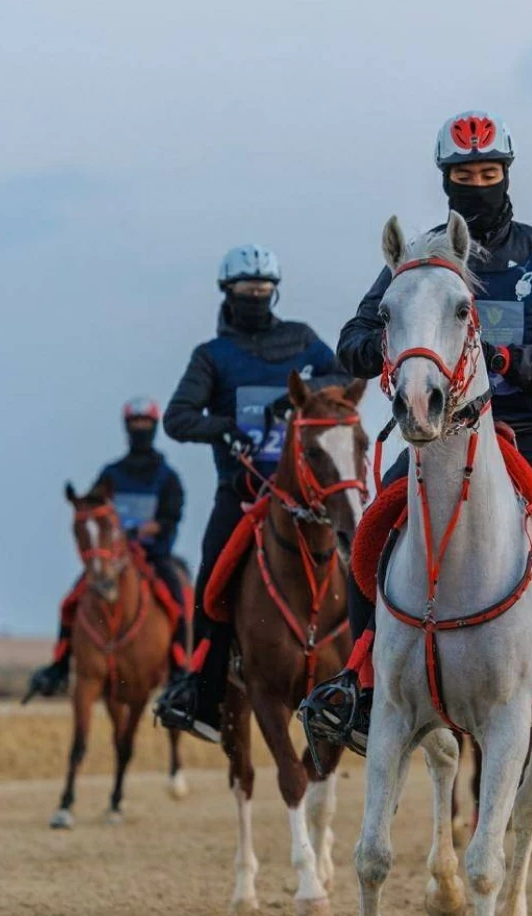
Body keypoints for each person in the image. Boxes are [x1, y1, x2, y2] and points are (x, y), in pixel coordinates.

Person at [299, 110, 532, 764]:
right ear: (446, 180)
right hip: (441, 437)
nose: (478, 182)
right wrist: (391, 350)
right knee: (370, 535)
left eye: (488, 172)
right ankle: (359, 678)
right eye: (464, 174)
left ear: (506, 174)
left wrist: (512, 363)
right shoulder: (417, 259)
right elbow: (355, 336)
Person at [154, 245, 340, 742]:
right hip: (240, 493)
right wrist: (223, 428)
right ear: (228, 293)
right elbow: (177, 418)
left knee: (363, 560)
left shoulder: (300, 339)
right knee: (211, 580)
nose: (255, 298)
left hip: (310, 494)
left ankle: (366, 685)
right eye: (245, 290)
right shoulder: (211, 357)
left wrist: (298, 391)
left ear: (274, 291)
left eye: (262, 290)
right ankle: (204, 693)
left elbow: (343, 372)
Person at [25, 398, 188, 699]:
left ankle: (180, 670)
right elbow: (94, 507)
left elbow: (172, 515)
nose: (140, 429)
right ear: (126, 427)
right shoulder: (111, 473)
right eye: (135, 423)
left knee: (178, 602)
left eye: (145, 424)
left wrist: (144, 529)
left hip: (153, 556)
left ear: (153, 427)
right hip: (113, 559)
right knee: (71, 601)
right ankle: (59, 665)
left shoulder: (168, 477)